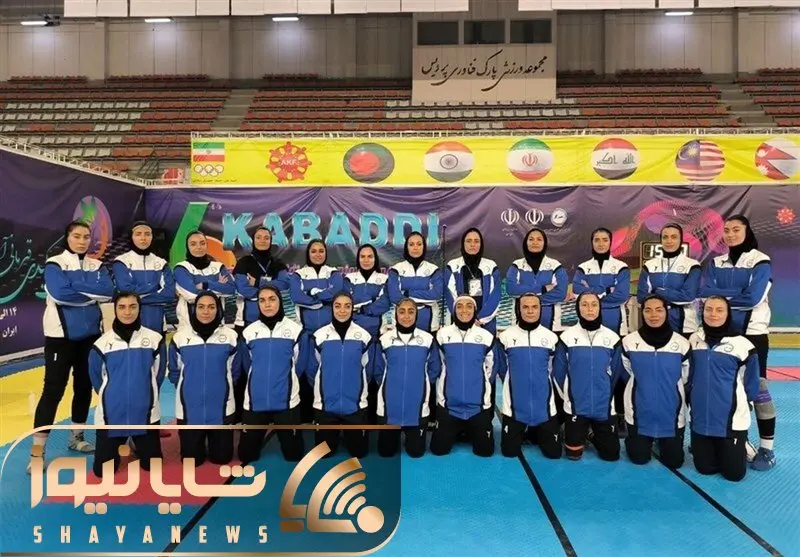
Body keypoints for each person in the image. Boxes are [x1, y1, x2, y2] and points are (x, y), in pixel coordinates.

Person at [31, 220, 115, 471]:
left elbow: (108, 291)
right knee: (53, 391)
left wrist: (76, 288)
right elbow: (59, 294)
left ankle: (76, 438)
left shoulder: (97, 265)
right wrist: (90, 293)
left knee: (84, 387)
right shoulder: (55, 264)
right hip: (60, 338)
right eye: (77, 236)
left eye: (86, 237)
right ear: (67, 238)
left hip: (90, 336)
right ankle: (37, 453)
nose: (81, 241)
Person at [699, 215, 775, 471]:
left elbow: (753, 298)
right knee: (721, 388)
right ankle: (733, 439)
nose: (730, 234)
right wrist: (735, 295)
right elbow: (706, 294)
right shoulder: (716, 262)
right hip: (721, 334)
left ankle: (767, 448)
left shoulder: (760, 260)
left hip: (752, 333)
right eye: (727, 230)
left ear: (747, 231)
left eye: (736, 229)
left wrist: (720, 298)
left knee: (758, 390)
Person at [87, 292, 165, 477]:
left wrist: (144, 394)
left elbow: (158, 374)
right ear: (115, 309)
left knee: (153, 466)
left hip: (145, 414)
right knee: (102, 472)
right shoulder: (101, 344)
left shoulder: (155, 340)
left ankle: (136, 442)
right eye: (122, 307)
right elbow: (96, 378)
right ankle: (126, 440)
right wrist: (115, 396)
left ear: (139, 309)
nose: (127, 312)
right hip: (111, 415)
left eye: (132, 306)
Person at [687, 296, 760, 482]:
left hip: (731, 421)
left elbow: (751, 382)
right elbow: (688, 374)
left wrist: (746, 404)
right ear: (702, 312)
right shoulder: (694, 340)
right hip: (701, 418)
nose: (713, 314)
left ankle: (743, 443)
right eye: (709, 309)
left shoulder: (743, 345)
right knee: (705, 469)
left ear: (728, 314)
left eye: (719, 310)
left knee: (734, 475)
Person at [620, 295, 691, 469]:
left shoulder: (682, 343)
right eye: (648, 310)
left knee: (674, 462)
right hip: (639, 412)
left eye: (659, 310)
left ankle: (663, 439)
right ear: (642, 313)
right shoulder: (629, 342)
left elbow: (686, 376)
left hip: (671, 414)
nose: (654, 315)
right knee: (639, 458)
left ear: (666, 312)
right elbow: (627, 371)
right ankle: (638, 439)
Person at [168, 291, 238, 466]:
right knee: (191, 461)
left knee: (222, 459)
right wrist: (189, 390)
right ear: (194, 310)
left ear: (218, 309)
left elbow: (236, 370)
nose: (206, 311)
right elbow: (174, 371)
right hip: (189, 409)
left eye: (211, 307)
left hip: (222, 408)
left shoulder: (231, 337)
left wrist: (221, 387)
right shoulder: (180, 338)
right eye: (201, 307)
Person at [238, 286, 305, 463]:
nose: (267, 304)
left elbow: (299, 365)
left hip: (286, 402)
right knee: (246, 456)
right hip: (255, 402)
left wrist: (284, 381)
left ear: (279, 301)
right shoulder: (248, 332)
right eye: (262, 300)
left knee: (294, 456)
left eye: (272, 299)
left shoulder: (295, 330)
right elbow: (247, 364)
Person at [554, 292, 623, 462]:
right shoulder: (566, 337)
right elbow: (559, 373)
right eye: (584, 304)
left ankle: (592, 434)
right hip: (576, 406)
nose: (589, 309)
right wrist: (569, 398)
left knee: (611, 455)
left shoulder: (612, 338)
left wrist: (605, 392)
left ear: (600, 308)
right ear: (578, 308)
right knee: (573, 455)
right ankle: (578, 429)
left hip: (603, 406)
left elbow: (615, 372)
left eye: (594, 304)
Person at [232, 226, 290, 422]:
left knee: (272, 366)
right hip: (247, 322)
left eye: (266, 237)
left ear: (271, 241)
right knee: (245, 369)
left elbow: (284, 285)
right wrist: (269, 285)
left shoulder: (278, 263)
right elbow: (242, 288)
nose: (263, 240)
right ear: (253, 240)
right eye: (259, 237)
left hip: (273, 323)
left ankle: (273, 409)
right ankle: (242, 414)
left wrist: (256, 284)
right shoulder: (243, 263)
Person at [495, 293, 561, 459]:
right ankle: (524, 429)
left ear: (540, 309)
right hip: (514, 409)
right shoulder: (505, 337)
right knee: (509, 452)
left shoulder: (551, 338)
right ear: (518, 309)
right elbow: (502, 369)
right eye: (525, 307)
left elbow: (552, 369)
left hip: (544, 408)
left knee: (554, 454)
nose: (530, 311)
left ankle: (535, 431)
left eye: (534, 307)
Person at [430, 296, 495, 457]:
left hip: (478, 407)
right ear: (454, 310)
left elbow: (490, 367)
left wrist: (476, 383)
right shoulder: (442, 335)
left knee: (485, 452)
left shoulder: (486, 336)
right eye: (459, 306)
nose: (464, 310)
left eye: (469, 306)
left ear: (474, 310)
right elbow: (439, 364)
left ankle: (468, 430)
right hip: (449, 407)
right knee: (438, 451)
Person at [375, 299, 441, 458]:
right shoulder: (384, 339)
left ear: (416, 315)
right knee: (385, 454)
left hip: (417, 409)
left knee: (416, 453)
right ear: (396, 315)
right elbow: (378, 370)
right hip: (389, 408)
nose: (406, 316)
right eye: (402, 311)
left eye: (411, 312)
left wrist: (420, 384)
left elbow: (434, 369)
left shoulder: (427, 339)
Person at [309, 292, 372, 457]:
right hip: (326, 405)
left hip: (355, 405)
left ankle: (348, 434)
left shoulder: (364, 336)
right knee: (324, 454)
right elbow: (313, 368)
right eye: (338, 306)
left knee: (359, 453)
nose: (342, 310)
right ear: (332, 308)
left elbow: (367, 368)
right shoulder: (319, 335)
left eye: (347, 306)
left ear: (352, 309)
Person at [290, 239, 344, 422]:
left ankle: (329, 412)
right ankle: (307, 416)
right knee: (306, 373)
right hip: (307, 335)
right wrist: (322, 299)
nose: (318, 254)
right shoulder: (298, 275)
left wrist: (311, 293)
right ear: (308, 253)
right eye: (314, 251)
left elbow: (336, 292)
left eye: (321, 251)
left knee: (330, 372)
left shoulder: (334, 273)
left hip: (330, 336)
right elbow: (296, 296)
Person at [345, 244, 390, 422]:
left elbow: (384, 303)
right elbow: (348, 304)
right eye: (362, 256)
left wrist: (362, 308)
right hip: (355, 338)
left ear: (375, 259)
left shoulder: (384, 279)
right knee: (356, 376)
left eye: (370, 256)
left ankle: (375, 419)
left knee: (377, 378)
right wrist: (371, 300)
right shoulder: (349, 279)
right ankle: (357, 418)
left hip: (377, 338)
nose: (366, 260)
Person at [111, 220, 176, 334]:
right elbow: (126, 290)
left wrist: (138, 297)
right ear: (131, 237)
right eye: (138, 234)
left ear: (152, 237)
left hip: (158, 324)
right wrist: (154, 288)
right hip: (129, 325)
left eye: (147, 234)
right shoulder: (121, 261)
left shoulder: (161, 263)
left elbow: (169, 295)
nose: (143, 238)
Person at [637, 223, 701, 337]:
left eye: (674, 237)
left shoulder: (692, 265)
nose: (669, 241)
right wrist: (673, 296)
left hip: (685, 325)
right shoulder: (649, 265)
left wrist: (657, 292)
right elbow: (641, 297)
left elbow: (688, 296)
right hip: (655, 322)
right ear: (661, 240)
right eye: (665, 237)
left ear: (681, 240)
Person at [506, 228, 568, 332]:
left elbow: (561, 293)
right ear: (526, 243)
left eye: (539, 239)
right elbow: (511, 289)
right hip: (520, 323)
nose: (535, 242)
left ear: (545, 243)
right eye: (531, 239)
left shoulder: (555, 266)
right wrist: (542, 289)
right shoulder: (516, 265)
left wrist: (527, 300)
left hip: (550, 324)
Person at [572, 228, 631, 335]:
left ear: (610, 242)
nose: (601, 244)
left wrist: (590, 293)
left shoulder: (621, 267)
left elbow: (622, 295)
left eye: (605, 240)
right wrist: (606, 291)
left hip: (614, 317)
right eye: (597, 240)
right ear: (592, 242)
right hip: (588, 317)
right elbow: (577, 291)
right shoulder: (583, 267)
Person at [173, 230, 236, 328]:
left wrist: (206, 285)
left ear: (206, 245)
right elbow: (191, 295)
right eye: (193, 244)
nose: (199, 247)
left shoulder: (219, 267)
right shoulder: (181, 268)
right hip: (188, 326)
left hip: (217, 325)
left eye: (202, 243)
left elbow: (232, 290)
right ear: (187, 247)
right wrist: (219, 286)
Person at [445, 228, 502, 333]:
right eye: (469, 241)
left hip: (485, 324)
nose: (472, 244)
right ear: (463, 244)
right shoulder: (452, 266)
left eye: (476, 241)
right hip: (459, 323)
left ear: (481, 244)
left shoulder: (491, 266)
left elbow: (496, 296)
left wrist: (480, 319)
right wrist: (464, 318)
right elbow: (450, 296)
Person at [387, 232, 444, 333]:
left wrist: (407, 293)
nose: (415, 247)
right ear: (406, 247)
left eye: (419, 244)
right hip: (402, 319)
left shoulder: (434, 269)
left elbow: (436, 294)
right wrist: (425, 295)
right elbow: (394, 296)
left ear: (423, 247)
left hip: (429, 320)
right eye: (411, 244)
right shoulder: (396, 269)